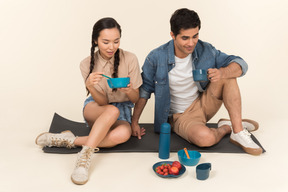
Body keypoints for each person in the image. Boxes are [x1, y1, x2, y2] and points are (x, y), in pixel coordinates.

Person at [131, 8, 263, 156]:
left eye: (195, 36)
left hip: (203, 103)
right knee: (206, 139)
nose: (191, 43)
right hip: (180, 116)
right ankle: (227, 127)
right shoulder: (156, 57)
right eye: (185, 38)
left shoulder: (206, 49)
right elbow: (145, 90)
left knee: (228, 75)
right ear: (173, 35)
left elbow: (240, 63)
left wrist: (222, 72)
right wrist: (134, 122)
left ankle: (238, 132)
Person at [35, 17, 144, 185]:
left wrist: (129, 90)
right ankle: (84, 159)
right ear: (95, 40)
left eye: (116, 41)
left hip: (122, 108)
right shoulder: (86, 64)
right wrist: (90, 86)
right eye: (106, 42)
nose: (111, 47)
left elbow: (136, 98)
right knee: (111, 110)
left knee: (123, 133)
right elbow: (101, 102)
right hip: (96, 107)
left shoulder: (130, 58)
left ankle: (67, 140)